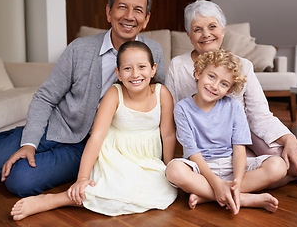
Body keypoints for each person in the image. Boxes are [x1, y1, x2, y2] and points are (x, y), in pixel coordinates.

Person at [0, 0, 166, 197]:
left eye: (138, 10)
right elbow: (45, 97)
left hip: (92, 147)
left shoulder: (154, 51)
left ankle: (17, 143)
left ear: (146, 18)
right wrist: (30, 142)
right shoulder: (79, 49)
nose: (129, 16)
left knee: (20, 180)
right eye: (122, 7)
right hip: (56, 127)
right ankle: (20, 137)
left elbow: (157, 100)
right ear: (108, 12)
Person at [165, 0, 297, 187]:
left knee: (285, 161)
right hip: (208, 147)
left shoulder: (243, 65)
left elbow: (260, 115)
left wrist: (289, 138)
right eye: (198, 29)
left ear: (223, 29)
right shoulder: (178, 66)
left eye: (212, 26)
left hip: (243, 135)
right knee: (246, 176)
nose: (206, 34)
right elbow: (171, 117)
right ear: (189, 35)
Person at [10, 41, 177, 220]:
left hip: (147, 158)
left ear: (153, 69)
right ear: (118, 73)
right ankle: (56, 199)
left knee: (159, 191)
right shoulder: (114, 94)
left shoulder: (161, 93)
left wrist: (168, 168)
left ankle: (78, 197)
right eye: (127, 68)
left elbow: (167, 134)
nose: (135, 74)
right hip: (116, 156)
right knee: (109, 187)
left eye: (142, 67)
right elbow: (97, 137)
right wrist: (81, 178)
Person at [166, 49, 287, 215]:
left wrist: (237, 181)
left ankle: (210, 196)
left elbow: (239, 149)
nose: (214, 86)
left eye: (224, 84)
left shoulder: (234, 107)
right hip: (201, 168)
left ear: (229, 90)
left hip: (231, 164)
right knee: (174, 170)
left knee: (278, 166)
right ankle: (243, 198)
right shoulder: (182, 108)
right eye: (211, 76)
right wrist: (215, 182)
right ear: (198, 73)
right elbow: (192, 152)